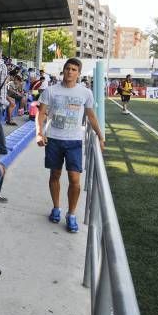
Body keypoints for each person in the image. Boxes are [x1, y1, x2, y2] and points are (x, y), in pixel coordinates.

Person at [36, 57, 105, 233]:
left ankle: (72, 214)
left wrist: (100, 136)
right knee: (55, 175)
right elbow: (41, 113)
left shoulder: (85, 93)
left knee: (75, 180)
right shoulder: (51, 91)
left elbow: (91, 116)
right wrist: (39, 133)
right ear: (63, 70)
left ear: (79, 73)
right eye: (68, 68)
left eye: (74, 69)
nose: (70, 72)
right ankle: (56, 207)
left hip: (74, 141)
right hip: (54, 139)